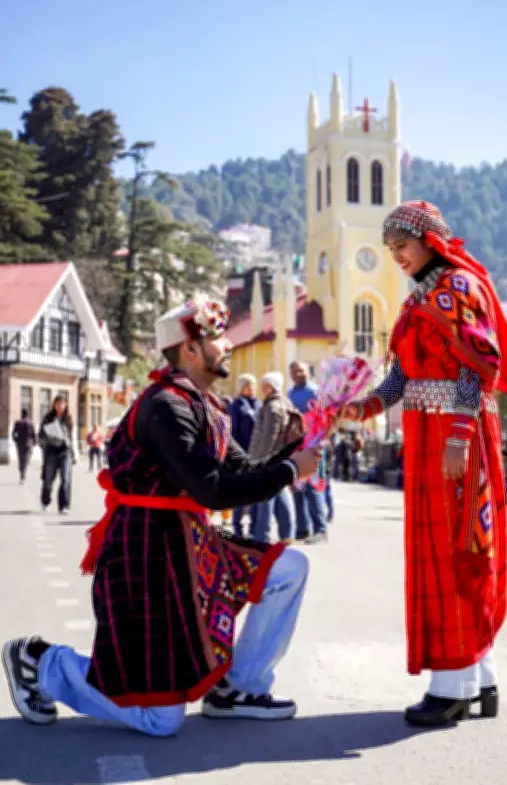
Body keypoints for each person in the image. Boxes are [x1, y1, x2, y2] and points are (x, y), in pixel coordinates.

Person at [2, 292, 321, 736]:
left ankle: (238, 689)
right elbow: (212, 489)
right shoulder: (167, 406)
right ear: (191, 349)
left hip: (189, 542)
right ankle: (40, 663)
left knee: (288, 568)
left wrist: (294, 450)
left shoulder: (206, 405)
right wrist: (290, 469)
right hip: (145, 558)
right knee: (160, 719)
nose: (227, 344)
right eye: (217, 337)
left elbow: (241, 470)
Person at [341, 201, 507, 727]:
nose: (396, 256)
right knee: (448, 549)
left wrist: (461, 432)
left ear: (429, 241)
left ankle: (451, 687)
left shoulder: (457, 288)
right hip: (428, 436)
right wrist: (364, 404)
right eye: (390, 248)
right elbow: (402, 379)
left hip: (453, 436)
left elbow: (476, 365)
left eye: (403, 246)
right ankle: (479, 679)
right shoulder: (420, 300)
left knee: (453, 551)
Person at [248, 372, 303, 543]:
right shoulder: (285, 403)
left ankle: (261, 536)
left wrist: (259, 461)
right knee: (279, 494)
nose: (262, 389)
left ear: (270, 387)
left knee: (265, 495)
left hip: (269, 459)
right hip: (281, 457)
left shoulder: (272, 407)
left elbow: (268, 437)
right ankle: (287, 533)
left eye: (264, 385)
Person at [288, 361, 328, 543]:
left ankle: (320, 529)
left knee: (312, 487)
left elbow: (324, 418)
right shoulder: (289, 394)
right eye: (294, 371)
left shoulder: (314, 392)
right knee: (297, 488)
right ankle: (302, 529)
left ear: (307, 372)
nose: (298, 374)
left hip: (313, 444)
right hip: (296, 447)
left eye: (301, 370)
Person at [229, 374, 260, 535]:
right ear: (241, 387)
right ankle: (237, 529)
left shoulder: (259, 405)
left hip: (257, 455)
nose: (252, 388)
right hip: (241, 455)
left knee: (255, 492)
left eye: (254, 384)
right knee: (240, 493)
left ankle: (255, 528)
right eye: (249, 385)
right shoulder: (237, 406)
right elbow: (232, 433)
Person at [38, 395, 75, 515]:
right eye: (58, 403)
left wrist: (73, 452)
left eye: (63, 403)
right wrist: (50, 438)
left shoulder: (68, 418)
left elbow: (71, 437)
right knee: (48, 480)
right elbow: (41, 436)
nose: (60, 406)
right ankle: (45, 501)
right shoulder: (48, 418)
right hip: (51, 452)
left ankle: (64, 505)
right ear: (54, 404)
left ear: (66, 405)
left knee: (66, 479)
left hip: (65, 452)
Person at [11, 409, 36, 484]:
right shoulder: (31, 423)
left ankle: (21, 471)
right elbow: (34, 434)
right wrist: (34, 442)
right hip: (28, 444)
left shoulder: (18, 423)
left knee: (21, 458)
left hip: (20, 444)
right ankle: (23, 475)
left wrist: (15, 440)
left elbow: (13, 433)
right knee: (26, 459)